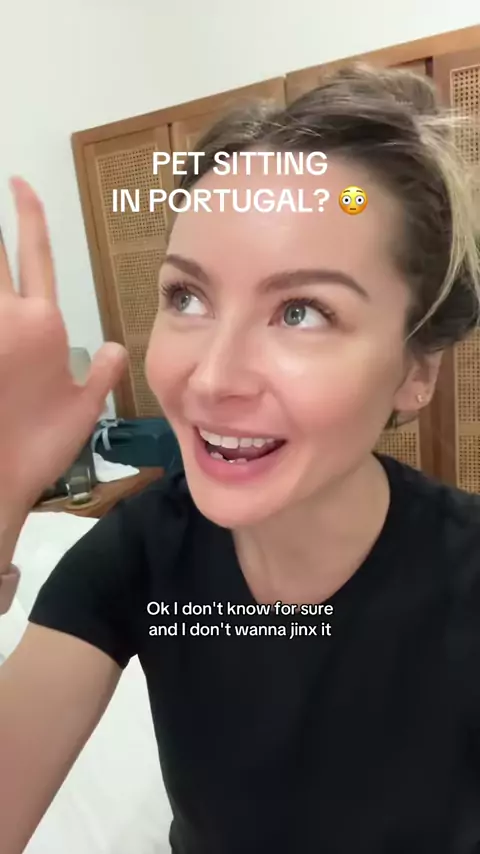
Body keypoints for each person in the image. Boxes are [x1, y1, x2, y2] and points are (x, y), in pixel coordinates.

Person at [1, 62, 480, 854]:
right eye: (186, 297)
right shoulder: (138, 555)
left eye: (302, 311)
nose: (211, 379)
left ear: (417, 370)